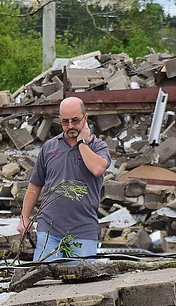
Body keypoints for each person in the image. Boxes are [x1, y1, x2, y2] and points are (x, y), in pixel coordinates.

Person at [16, 96, 110, 261]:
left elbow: (97, 168)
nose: (71, 126)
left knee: (83, 284)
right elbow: (35, 184)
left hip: (83, 233)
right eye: (65, 122)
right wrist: (24, 218)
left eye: (75, 120)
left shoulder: (98, 147)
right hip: (49, 232)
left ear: (85, 118)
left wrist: (82, 143)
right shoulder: (49, 147)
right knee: (43, 282)